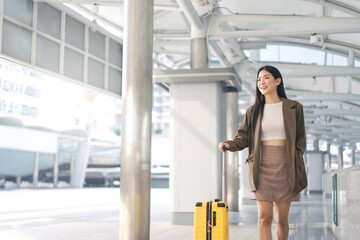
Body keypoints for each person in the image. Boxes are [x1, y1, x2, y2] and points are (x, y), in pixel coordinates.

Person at [219, 65, 307, 240]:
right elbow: (243, 138)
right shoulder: (253, 111)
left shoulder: (294, 107)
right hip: (261, 166)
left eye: (266, 78)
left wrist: (295, 158)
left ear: (277, 81)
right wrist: (229, 144)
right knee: (264, 218)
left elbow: (300, 139)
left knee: (281, 220)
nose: (261, 82)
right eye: (258, 79)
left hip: (286, 166)